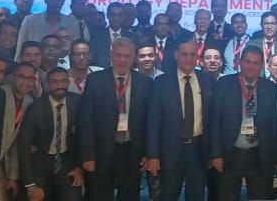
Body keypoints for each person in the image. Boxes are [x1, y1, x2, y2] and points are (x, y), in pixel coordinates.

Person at [78, 38, 152, 201]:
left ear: (133, 58)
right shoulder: (95, 80)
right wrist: (87, 156)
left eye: (127, 56)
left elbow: (149, 123)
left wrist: (148, 153)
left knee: (130, 196)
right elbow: (86, 121)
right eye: (118, 55)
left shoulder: (145, 83)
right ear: (111, 56)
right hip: (101, 153)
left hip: (132, 152)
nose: (122, 60)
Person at [147, 40, 216, 201]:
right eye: (184, 54)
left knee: (196, 196)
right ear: (176, 55)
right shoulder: (161, 82)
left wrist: (214, 152)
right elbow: (153, 122)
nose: (189, 58)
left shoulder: (207, 81)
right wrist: (153, 155)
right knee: (168, 195)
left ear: (197, 57)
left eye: (193, 54)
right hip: (170, 151)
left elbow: (213, 120)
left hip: (199, 150)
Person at [208, 46, 277, 201]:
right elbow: (215, 122)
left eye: (256, 63)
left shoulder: (269, 87)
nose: (251, 66)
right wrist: (216, 154)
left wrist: (274, 158)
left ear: (261, 65)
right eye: (247, 62)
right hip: (230, 154)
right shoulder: (224, 84)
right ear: (240, 62)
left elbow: (274, 126)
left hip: (259, 156)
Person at [18, 67, 80, 201]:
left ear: (68, 82)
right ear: (48, 84)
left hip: (67, 163)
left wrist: (79, 167)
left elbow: (84, 137)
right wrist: (30, 184)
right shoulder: (35, 107)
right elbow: (23, 146)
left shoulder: (78, 102)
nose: (60, 85)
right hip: (40, 163)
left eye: (64, 81)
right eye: (55, 82)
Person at [0, 63, 34, 198]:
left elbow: (17, 142)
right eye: (22, 77)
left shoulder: (29, 101)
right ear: (13, 77)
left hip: (4, 163)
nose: (26, 82)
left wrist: (12, 176)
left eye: (30, 78)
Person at [19, 0, 84, 48]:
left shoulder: (73, 24)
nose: (55, 2)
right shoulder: (29, 21)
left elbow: (76, 50)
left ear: (63, 1)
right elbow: (20, 47)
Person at [246, 11, 277, 78]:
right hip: (256, 82)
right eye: (266, 23)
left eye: (272, 23)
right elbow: (247, 68)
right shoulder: (251, 45)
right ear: (261, 25)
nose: (269, 27)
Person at [92, 2, 132, 69]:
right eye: (113, 14)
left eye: (119, 15)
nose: (116, 18)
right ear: (107, 16)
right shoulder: (97, 36)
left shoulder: (132, 38)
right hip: (101, 73)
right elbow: (92, 60)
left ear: (124, 16)